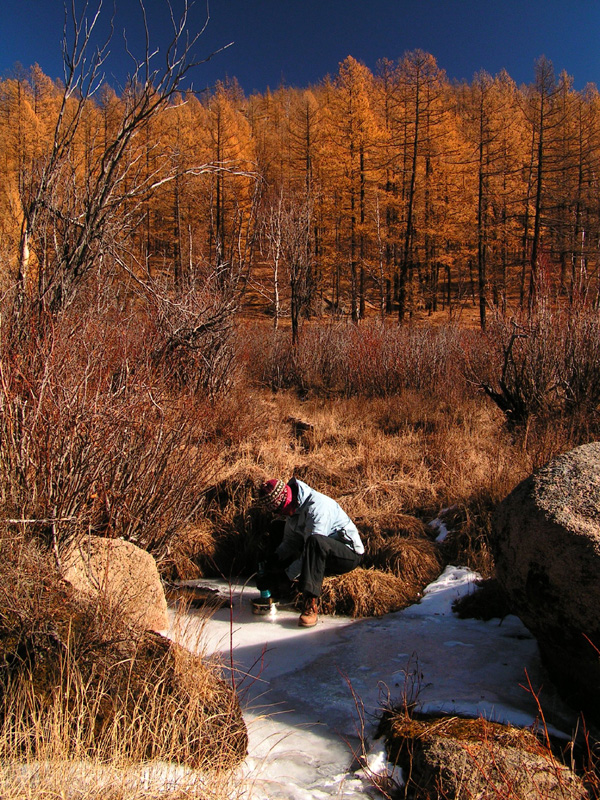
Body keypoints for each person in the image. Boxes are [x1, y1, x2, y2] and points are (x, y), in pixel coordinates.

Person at [253, 477, 364, 628]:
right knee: (277, 528)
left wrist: (286, 576)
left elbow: (311, 551)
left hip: (347, 553)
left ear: (288, 499)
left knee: (315, 542)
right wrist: (274, 560)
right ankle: (277, 589)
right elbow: (290, 542)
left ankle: (310, 604)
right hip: (319, 549)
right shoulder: (293, 508)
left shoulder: (317, 507)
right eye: (279, 512)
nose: (283, 514)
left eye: (283, 510)